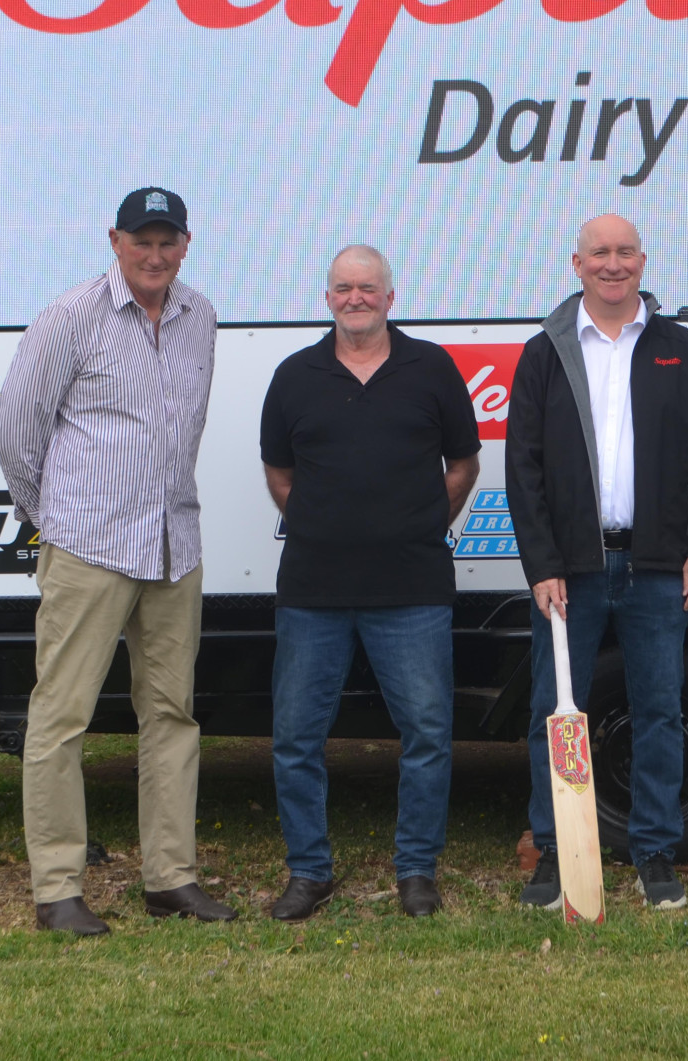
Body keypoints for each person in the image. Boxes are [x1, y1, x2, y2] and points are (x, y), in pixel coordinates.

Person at [0, 187, 234, 935]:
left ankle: (171, 877)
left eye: (167, 240)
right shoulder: (71, 317)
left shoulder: (201, 318)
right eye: (141, 240)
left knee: (171, 714)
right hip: (89, 545)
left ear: (186, 244)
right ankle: (58, 887)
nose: (154, 254)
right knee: (61, 715)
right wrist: (55, 517)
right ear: (115, 239)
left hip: (173, 544)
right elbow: (17, 432)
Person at [505, 214, 688, 912]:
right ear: (576, 263)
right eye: (599, 252)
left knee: (660, 709)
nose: (613, 263)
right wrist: (542, 562)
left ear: (643, 260)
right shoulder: (546, 351)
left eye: (625, 251)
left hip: (658, 565)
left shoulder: (680, 350)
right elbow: (525, 469)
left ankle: (655, 853)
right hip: (570, 569)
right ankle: (554, 851)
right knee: (556, 712)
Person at [258, 246, 482, 922]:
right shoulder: (295, 375)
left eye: (368, 288)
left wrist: (415, 526)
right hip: (313, 590)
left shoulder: (432, 368)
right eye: (344, 288)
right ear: (327, 297)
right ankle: (309, 872)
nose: (356, 298)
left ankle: (416, 870)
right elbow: (279, 473)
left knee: (427, 734)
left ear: (390, 296)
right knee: (296, 737)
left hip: (411, 587)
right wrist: (323, 526)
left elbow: (464, 463)